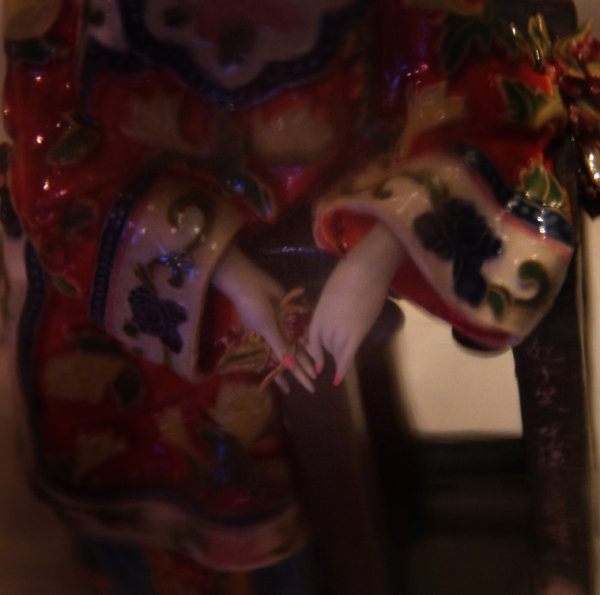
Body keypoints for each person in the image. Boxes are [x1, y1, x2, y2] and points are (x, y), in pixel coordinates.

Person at [1, 0, 582, 592]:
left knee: (284, 465)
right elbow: (52, 166)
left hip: (309, 226)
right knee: (152, 467)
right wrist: (219, 267)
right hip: (133, 284)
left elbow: (489, 93)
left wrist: (381, 246)